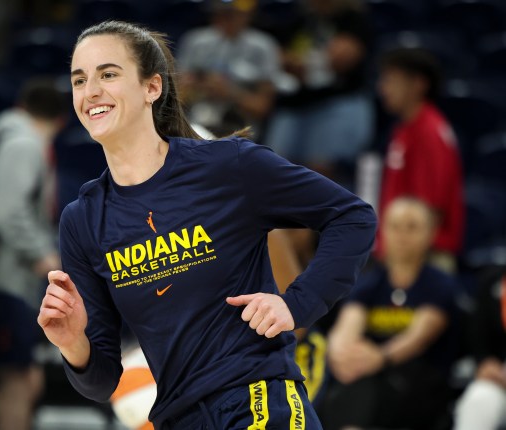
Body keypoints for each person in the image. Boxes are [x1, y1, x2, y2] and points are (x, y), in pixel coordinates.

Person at [37, 20, 376, 429]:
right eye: (79, 80)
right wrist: (73, 344)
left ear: (152, 88)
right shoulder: (82, 220)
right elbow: (102, 380)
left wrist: (296, 303)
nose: (90, 91)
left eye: (108, 74)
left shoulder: (229, 165)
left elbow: (353, 216)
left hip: (257, 398)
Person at [0, 79, 66, 430]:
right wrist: (43, 253)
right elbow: (7, 212)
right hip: (4, 279)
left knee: (24, 379)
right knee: (19, 381)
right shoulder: (23, 144)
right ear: (62, 120)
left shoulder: (7, 136)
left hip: (4, 278)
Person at [322, 197, 459, 430]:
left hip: (420, 384)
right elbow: (345, 330)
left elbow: (417, 339)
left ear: (430, 233)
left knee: (364, 391)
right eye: (395, 226)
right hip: (367, 377)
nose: (402, 235)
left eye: (412, 227)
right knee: (350, 390)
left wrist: (380, 358)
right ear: (383, 231)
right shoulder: (369, 283)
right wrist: (342, 355)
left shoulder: (439, 284)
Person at [264, 0, 374, 179]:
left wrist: (302, 63)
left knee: (319, 172)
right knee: (272, 164)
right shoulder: (301, 19)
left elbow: (342, 59)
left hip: (335, 101)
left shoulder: (353, 19)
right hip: (296, 103)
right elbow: (278, 55)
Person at [377, 48, 464, 272]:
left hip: (423, 259)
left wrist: (403, 259)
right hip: (401, 254)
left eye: (391, 81)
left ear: (418, 84)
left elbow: (432, 209)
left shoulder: (430, 131)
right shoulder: (404, 129)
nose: (383, 89)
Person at [176, 0, 283, 138]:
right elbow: (177, 95)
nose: (227, 19)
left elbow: (263, 107)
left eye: (233, 14)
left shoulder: (263, 46)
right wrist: (198, 85)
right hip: (195, 124)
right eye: (222, 13)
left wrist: (229, 92)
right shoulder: (196, 41)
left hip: (239, 130)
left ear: (248, 14)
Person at [454, 270, 506, 430]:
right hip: (499, 376)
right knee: (479, 399)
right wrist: (484, 361)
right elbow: (478, 331)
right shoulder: (493, 280)